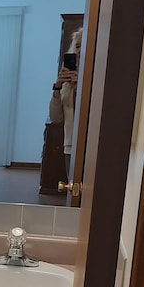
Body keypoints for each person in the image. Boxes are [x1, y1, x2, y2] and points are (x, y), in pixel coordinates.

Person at [49, 27, 82, 179]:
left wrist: (80, 88)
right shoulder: (67, 83)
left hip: (90, 146)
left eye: (84, 45)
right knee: (73, 189)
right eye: (77, 46)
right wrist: (58, 87)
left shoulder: (97, 79)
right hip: (70, 145)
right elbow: (56, 118)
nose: (80, 50)